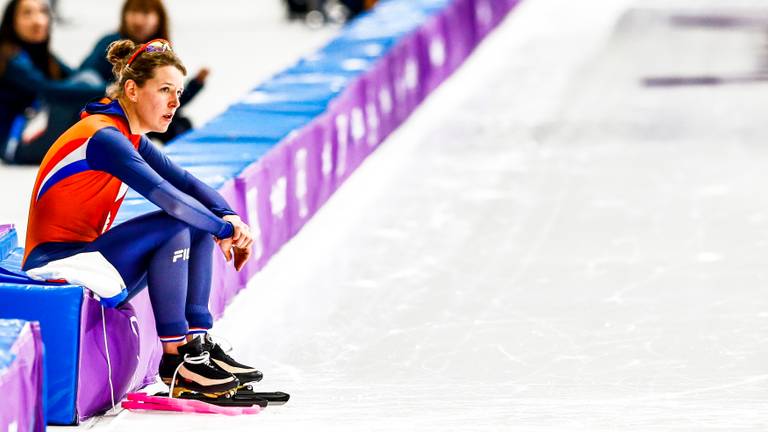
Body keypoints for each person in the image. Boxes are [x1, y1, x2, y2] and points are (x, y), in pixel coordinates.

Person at [22, 38, 262, 397]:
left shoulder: (127, 135)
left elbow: (187, 183)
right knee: (178, 223)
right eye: (165, 90)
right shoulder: (104, 137)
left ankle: (197, 348)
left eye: (178, 92)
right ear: (132, 90)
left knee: (193, 223)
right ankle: (176, 361)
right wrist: (223, 230)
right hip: (55, 265)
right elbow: (170, 200)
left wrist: (230, 218)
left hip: (88, 260)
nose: (175, 103)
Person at [80, 0, 207, 144]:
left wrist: (195, 84)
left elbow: (168, 102)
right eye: (134, 12)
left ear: (159, 18)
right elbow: (84, 83)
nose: (139, 20)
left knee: (181, 126)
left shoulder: (159, 47)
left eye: (146, 13)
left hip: (141, 113)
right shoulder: (109, 44)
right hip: (111, 115)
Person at [0, 0, 104, 164]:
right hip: (14, 143)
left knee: (88, 78)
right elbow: (48, 90)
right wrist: (108, 90)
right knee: (80, 88)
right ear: (11, 21)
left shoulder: (46, 57)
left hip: (34, 130)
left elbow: (77, 77)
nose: (37, 20)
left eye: (42, 12)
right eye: (27, 13)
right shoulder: (10, 58)